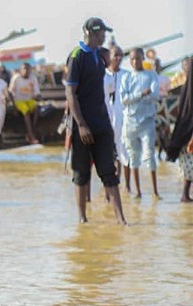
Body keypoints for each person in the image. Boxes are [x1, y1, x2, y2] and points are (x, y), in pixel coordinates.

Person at [64, 17, 127, 224]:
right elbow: (71, 94)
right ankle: (82, 219)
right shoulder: (76, 57)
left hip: (102, 123)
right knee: (81, 173)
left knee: (108, 171)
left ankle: (121, 220)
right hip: (83, 125)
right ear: (92, 32)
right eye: (102, 33)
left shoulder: (99, 55)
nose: (105, 36)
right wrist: (81, 124)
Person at [120, 47, 161, 199]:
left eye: (138, 58)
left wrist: (137, 97)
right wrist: (141, 94)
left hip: (147, 120)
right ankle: (138, 191)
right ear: (129, 61)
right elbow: (124, 99)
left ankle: (155, 192)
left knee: (150, 155)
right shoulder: (127, 77)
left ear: (143, 58)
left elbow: (155, 95)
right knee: (133, 156)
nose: (135, 61)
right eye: (132, 59)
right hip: (130, 121)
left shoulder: (151, 75)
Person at [103, 45, 131, 193]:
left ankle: (127, 186)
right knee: (110, 154)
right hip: (107, 119)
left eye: (121, 55)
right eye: (116, 55)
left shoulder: (127, 75)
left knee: (125, 152)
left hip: (124, 119)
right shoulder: (103, 75)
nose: (118, 58)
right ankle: (112, 186)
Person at [165, 54, 193, 202]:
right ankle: (185, 195)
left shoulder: (186, 87)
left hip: (184, 132)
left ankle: (185, 195)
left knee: (188, 168)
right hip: (189, 134)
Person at [9, 62, 42, 144]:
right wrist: (14, 106)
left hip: (29, 100)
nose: (26, 71)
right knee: (26, 112)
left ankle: (32, 130)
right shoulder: (16, 78)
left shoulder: (33, 77)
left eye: (28, 69)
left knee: (36, 107)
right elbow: (10, 92)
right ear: (20, 70)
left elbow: (37, 92)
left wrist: (38, 97)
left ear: (31, 70)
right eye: (24, 69)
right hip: (19, 100)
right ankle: (31, 136)